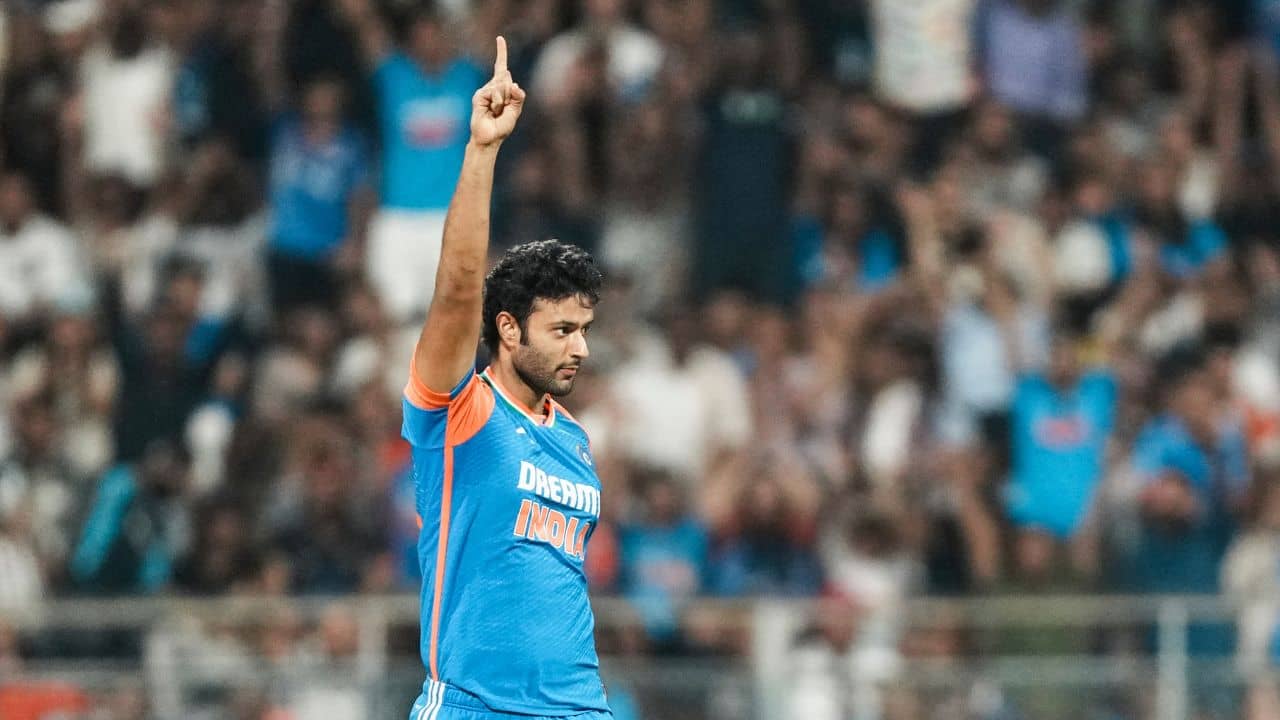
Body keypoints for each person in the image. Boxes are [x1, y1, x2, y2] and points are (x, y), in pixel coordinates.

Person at [400, 37, 612, 720]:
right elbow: (459, 288)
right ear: (510, 330)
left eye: (584, 329)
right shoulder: (460, 411)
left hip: (579, 709)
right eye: (562, 330)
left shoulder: (575, 439)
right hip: (473, 706)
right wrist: (482, 150)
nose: (580, 347)